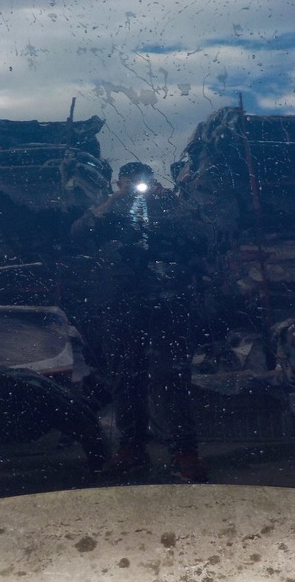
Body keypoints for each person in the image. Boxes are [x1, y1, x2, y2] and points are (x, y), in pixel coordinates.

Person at [71, 161, 209, 481]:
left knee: (173, 376)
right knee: (125, 376)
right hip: (121, 302)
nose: (137, 189)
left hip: (168, 300)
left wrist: (175, 202)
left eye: (142, 182)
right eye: (129, 183)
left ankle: (184, 451)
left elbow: (203, 236)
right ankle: (131, 447)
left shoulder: (168, 209)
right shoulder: (109, 213)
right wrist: (112, 202)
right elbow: (77, 234)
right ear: (119, 184)